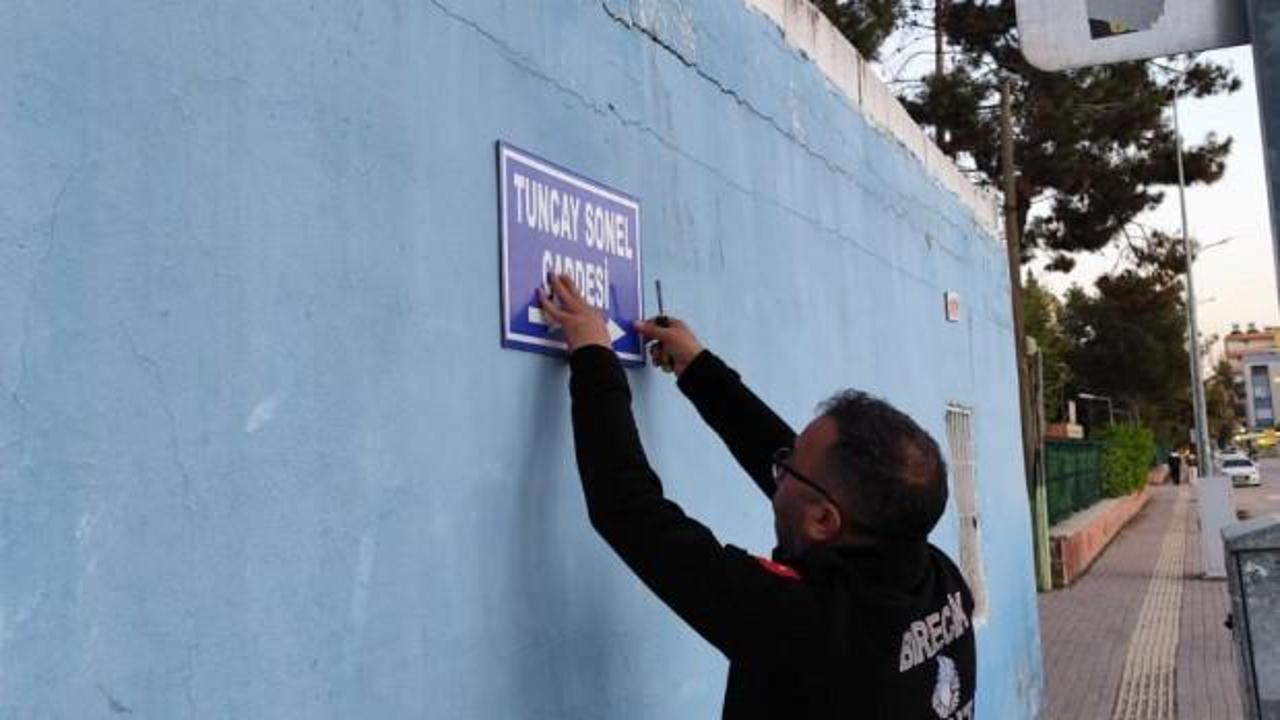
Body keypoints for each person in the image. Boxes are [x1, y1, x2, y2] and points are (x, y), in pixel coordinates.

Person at [538, 274, 976, 719]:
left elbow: (630, 511)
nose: (778, 469)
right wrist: (701, 371)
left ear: (823, 521)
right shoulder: (936, 578)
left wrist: (593, 356)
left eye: (787, 467)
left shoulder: (809, 628)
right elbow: (817, 481)